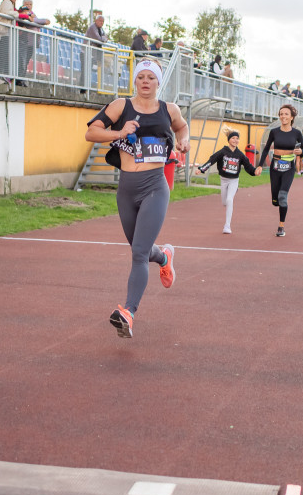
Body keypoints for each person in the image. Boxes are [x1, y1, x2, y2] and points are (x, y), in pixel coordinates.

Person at [85, 59, 190, 338]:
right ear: (135, 81)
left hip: (155, 186)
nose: (145, 81)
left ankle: (128, 313)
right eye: (140, 77)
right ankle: (164, 257)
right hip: (127, 189)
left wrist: (184, 140)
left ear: (158, 83)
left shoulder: (170, 110)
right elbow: (91, 132)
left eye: (150, 78)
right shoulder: (121, 106)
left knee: (138, 253)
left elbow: (182, 126)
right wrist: (120, 132)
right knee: (140, 248)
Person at [196, 130, 262, 234]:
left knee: (229, 200)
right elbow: (212, 160)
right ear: (229, 140)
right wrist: (201, 169)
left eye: (237, 138)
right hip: (224, 180)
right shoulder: (223, 152)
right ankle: (228, 204)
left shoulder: (240, 154)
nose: (235, 140)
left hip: (234, 181)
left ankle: (227, 226)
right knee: (224, 202)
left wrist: (255, 172)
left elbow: (248, 166)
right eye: (233, 138)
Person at [257, 104, 303, 237]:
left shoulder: (296, 133)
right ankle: (275, 199)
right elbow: (266, 149)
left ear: (291, 117)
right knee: (275, 199)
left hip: (288, 168)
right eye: (281, 114)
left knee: (282, 197)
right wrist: (260, 165)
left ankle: (281, 226)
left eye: (286, 114)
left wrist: (300, 151)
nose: (283, 116)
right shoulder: (274, 132)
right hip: (275, 167)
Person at [16, 0, 49, 77]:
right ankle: (18, 79)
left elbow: (40, 22)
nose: (29, 6)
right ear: (23, 5)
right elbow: (33, 21)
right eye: (27, 4)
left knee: (26, 61)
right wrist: (40, 21)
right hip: (24, 40)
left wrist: (34, 20)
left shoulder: (33, 14)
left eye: (30, 4)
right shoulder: (22, 13)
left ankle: (21, 78)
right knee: (22, 61)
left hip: (32, 42)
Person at [0, 0, 18, 80]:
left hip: (3, 33)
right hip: (1, 33)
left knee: (1, 55)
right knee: (0, 55)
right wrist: (17, 13)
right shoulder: (7, 2)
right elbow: (7, 13)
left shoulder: (9, 3)